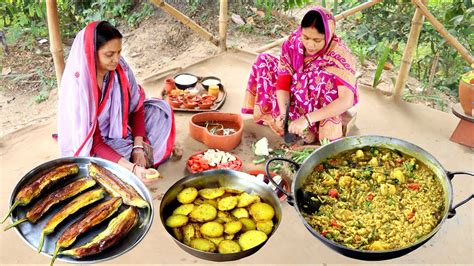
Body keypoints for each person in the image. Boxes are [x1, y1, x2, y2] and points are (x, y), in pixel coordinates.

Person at [58, 21, 177, 184]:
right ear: (91, 52)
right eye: (109, 54)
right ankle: (130, 166)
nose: (116, 59)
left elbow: (137, 108)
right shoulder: (79, 87)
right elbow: (95, 143)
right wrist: (132, 168)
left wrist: (138, 146)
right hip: (95, 142)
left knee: (161, 112)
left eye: (119, 52)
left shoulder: (121, 69)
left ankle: (132, 158)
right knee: (97, 168)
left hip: (122, 127)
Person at [242, 7, 358, 144]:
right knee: (264, 61)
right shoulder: (293, 43)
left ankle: (313, 129)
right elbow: (283, 82)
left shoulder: (340, 55)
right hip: (296, 97)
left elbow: (346, 100)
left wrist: (307, 119)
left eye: (317, 40)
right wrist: (284, 115)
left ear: (328, 35)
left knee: (318, 78)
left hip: (320, 107)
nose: (310, 44)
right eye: (306, 37)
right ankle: (289, 120)